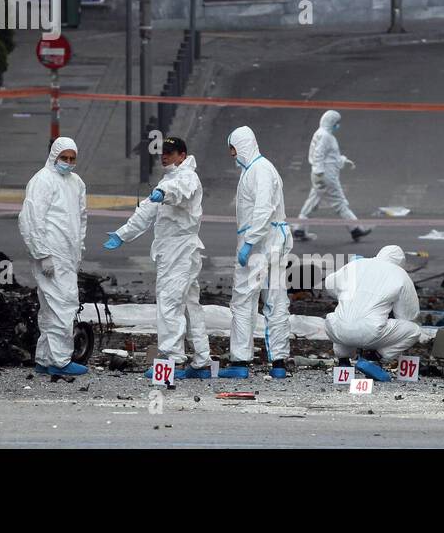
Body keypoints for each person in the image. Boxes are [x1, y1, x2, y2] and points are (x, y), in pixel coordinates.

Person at [103, 137, 213, 380]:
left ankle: (171, 363)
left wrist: (163, 192)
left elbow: (179, 192)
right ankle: (202, 360)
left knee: (169, 303)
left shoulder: (186, 177)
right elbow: (146, 212)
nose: (165, 156)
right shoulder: (168, 179)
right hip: (177, 253)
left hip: (179, 252)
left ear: (182, 155)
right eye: (163, 152)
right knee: (189, 306)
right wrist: (123, 234)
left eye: (170, 153)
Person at [222, 126, 293, 379]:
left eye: (232, 148)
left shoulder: (258, 171)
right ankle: (279, 362)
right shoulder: (260, 169)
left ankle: (240, 361)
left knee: (243, 301)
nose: (231, 154)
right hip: (274, 243)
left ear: (240, 146)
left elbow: (262, 210)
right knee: (276, 302)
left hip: (260, 246)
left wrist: (249, 243)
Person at [18, 137, 88, 377]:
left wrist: (78, 249)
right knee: (63, 305)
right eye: (64, 158)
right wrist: (42, 253)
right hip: (51, 253)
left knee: (50, 307)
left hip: (67, 255)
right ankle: (59, 361)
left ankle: (45, 358)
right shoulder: (42, 181)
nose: (68, 163)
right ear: (54, 156)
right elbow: (30, 219)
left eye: (72, 159)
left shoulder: (76, 183)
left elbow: (81, 217)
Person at [323, 245, 422, 382]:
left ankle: (344, 363)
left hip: (334, 329)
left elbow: (329, 284)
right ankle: (374, 358)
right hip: (370, 331)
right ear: (400, 263)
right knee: (414, 331)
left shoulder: (357, 264)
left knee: (343, 318)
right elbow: (408, 315)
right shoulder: (399, 274)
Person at [293, 110, 372, 242]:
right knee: (339, 203)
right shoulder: (326, 137)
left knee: (313, 200)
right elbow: (319, 155)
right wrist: (319, 173)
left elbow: (328, 156)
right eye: (337, 123)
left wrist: (342, 160)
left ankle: (299, 228)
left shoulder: (320, 134)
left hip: (321, 175)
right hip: (327, 176)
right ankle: (355, 228)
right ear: (331, 122)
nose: (338, 125)